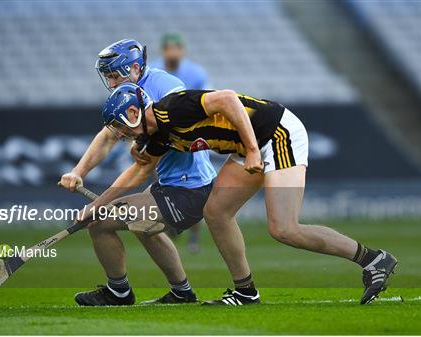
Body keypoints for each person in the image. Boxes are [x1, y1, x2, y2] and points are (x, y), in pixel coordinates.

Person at [96, 83, 398, 306]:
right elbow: (140, 171)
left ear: (133, 112)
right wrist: (96, 206)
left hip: (276, 133)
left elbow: (227, 98)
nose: (120, 135)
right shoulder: (160, 135)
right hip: (246, 147)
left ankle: (373, 260)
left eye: (119, 127)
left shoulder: (171, 108)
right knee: (215, 211)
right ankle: (245, 291)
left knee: (285, 229)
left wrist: (254, 149)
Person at [59, 39, 217, 306]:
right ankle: (182, 293)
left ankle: (118, 292)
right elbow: (108, 136)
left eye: (113, 75)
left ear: (133, 68)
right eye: (107, 77)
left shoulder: (166, 88)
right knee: (145, 227)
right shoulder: (129, 90)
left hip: (188, 185)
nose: (110, 83)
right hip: (174, 182)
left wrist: (98, 205)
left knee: (99, 223)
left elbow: (145, 165)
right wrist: (78, 171)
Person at [151, 32, 211, 252]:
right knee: (164, 185)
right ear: (163, 51)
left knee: (194, 188)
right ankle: (170, 228)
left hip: (189, 137)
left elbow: (206, 100)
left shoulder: (195, 73)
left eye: (176, 48)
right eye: (169, 48)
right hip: (161, 139)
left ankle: (193, 236)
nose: (173, 53)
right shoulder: (156, 73)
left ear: (182, 51)